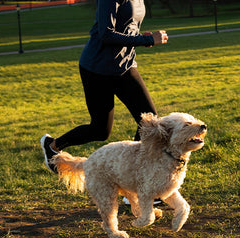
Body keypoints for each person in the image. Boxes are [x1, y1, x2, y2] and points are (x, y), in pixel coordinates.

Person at [41, 0, 168, 203]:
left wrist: (143, 38)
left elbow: (128, 27)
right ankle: (53, 146)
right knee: (100, 130)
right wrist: (146, 40)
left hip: (125, 66)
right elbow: (106, 34)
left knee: (149, 120)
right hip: (97, 69)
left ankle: (137, 188)